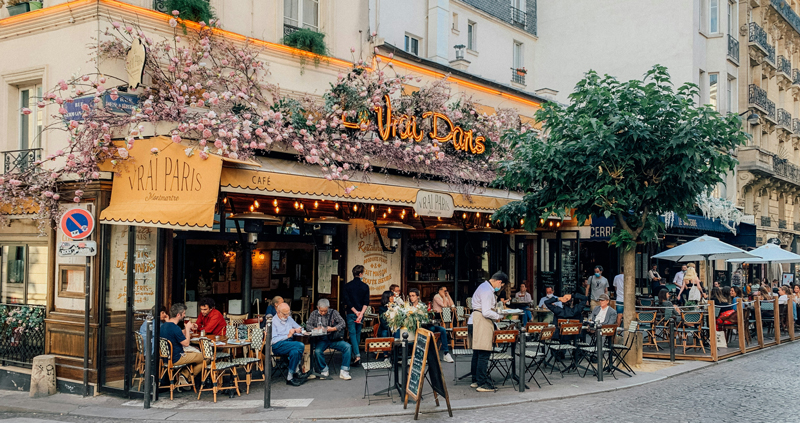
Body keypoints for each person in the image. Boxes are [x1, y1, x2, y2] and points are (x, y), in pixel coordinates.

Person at [468, 271, 506, 392]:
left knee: (477, 353)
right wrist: (498, 316)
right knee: (484, 352)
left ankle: (475, 379)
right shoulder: (487, 291)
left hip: (475, 319)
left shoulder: (483, 287)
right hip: (481, 320)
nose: (500, 288)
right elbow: (486, 312)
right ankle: (482, 383)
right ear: (499, 282)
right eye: (501, 285)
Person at [160, 303, 204, 389]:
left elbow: (178, 336)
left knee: (195, 350)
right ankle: (185, 376)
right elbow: (186, 343)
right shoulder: (175, 328)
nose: (184, 315)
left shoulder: (164, 325)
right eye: (183, 313)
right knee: (206, 357)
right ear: (178, 315)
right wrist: (187, 329)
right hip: (177, 358)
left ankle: (183, 376)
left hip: (165, 357)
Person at [307, 299, 352, 380]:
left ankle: (344, 371)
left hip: (333, 338)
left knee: (347, 347)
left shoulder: (333, 312)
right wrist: (316, 329)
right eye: (321, 311)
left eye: (325, 311)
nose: (323, 313)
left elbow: (343, 323)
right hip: (322, 339)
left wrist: (333, 328)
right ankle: (324, 370)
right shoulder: (314, 314)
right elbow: (308, 326)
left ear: (328, 307)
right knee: (317, 351)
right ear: (318, 307)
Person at [408, 288, 454, 363]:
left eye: (413, 296)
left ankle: (446, 353)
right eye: (410, 296)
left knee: (442, 329)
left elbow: (426, 316)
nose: (411, 298)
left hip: (425, 325)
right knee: (431, 329)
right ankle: (427, 354)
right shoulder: (409, 306)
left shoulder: (422, 305)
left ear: (417, 296)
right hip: (416, 327)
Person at [271, 303, 311, 386]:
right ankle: (297, 370)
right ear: (278, 312)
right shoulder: (273, 322)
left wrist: (298, 330)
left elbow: (299, 327)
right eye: (285, 314)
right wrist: (288, 335)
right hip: (278, 345)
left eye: (288, 313)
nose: (287, 316)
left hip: (290, 343)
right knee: (300, 345)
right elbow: (273, 340)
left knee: (295, 352)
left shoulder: (289, 318)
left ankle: (290, 377)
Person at [343, 265, 370, 366]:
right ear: (360, 274)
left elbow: (347, 301)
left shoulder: (347, 286)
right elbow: (366, 302)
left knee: (352, 334)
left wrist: (355, 312)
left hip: (351, 313)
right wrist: (361, 313)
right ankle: (356, 355)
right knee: (358, 333)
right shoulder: (365, 286)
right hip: (361, 313)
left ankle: (357, 355)